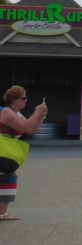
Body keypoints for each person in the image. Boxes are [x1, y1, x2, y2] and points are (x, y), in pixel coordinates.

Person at [0, 86, 47, 221]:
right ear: (14, 99)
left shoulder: (17, 114)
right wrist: (37, 111)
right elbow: (25, 127)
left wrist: (41, 117)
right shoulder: (6, 112)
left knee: (9, 177)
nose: (26, 101)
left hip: (4, 153)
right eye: (23, 98)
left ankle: (2, 213)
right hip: (2, 152)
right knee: (7, 176)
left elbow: (31, 130)